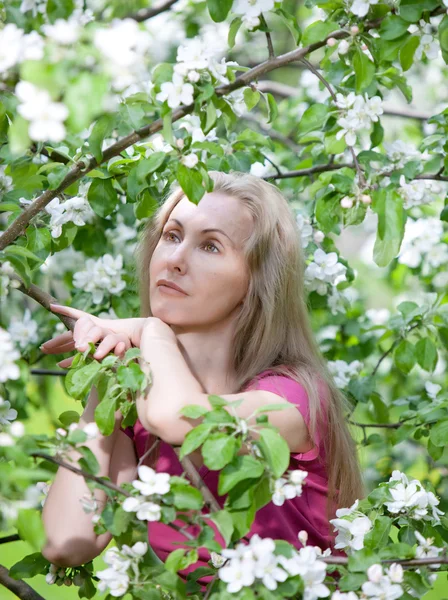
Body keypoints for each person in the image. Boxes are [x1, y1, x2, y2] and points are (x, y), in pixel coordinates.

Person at [40, 170, 364, 575]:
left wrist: (149, 329)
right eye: (172, 236)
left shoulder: (294, 397)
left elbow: (179, 418)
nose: (175, 260)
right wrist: (105, 373)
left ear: (254, 281)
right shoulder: (141, 400)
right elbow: (67, 542)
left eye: (210, 246)